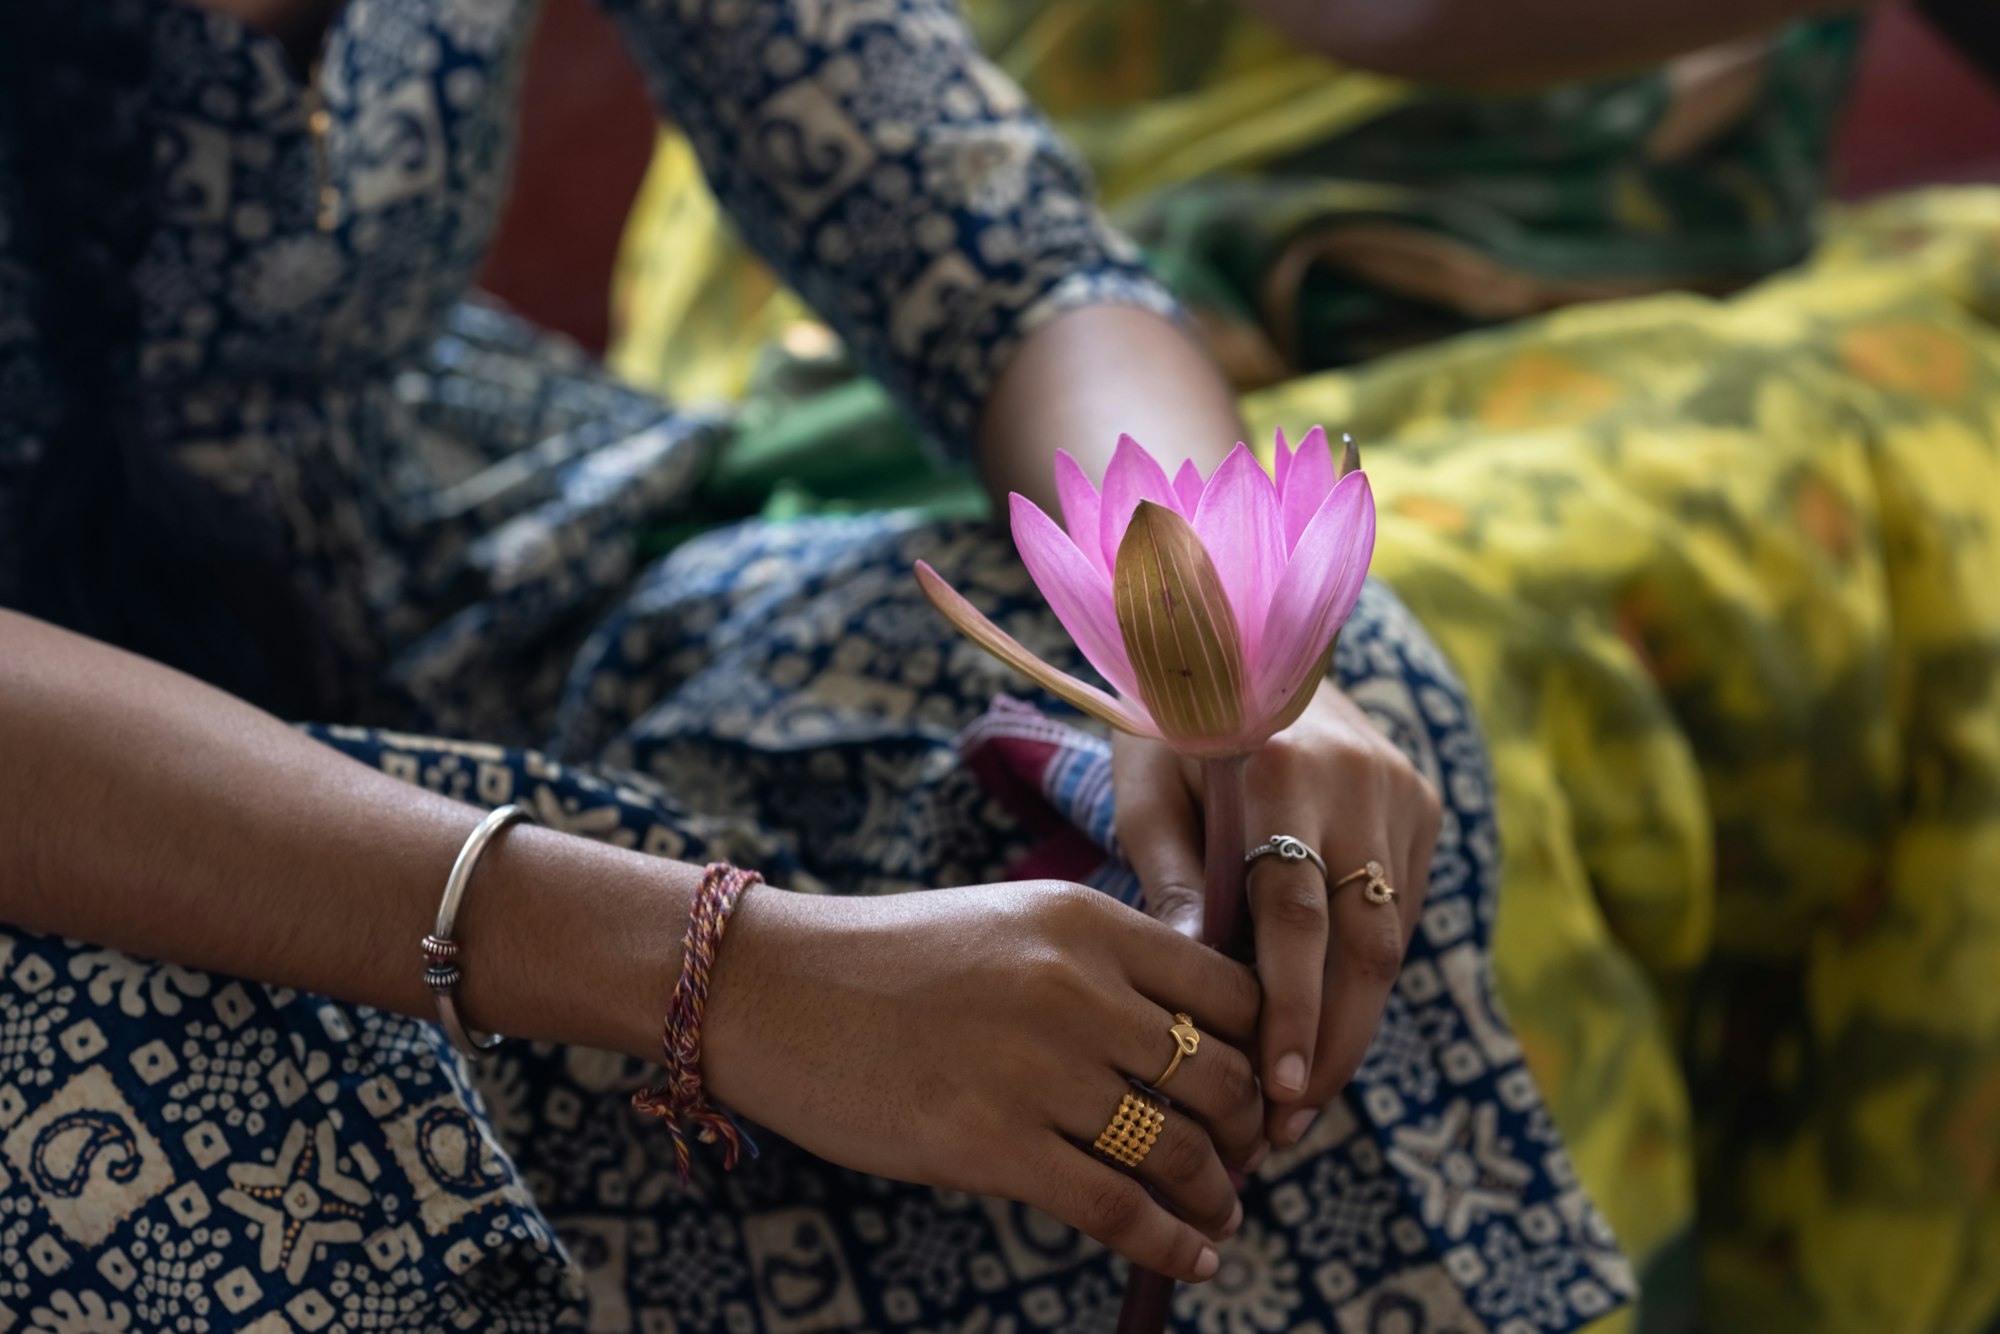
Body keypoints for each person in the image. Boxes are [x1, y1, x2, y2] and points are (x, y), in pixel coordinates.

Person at [0, 2, 1628, 1333]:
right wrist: (733, 975)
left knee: (1284, 804)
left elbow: (1012, 261)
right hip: (68, 783)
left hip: (453, 575)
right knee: (140, 1084)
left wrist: (1217, 646)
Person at [613, 0, 2000, 1330]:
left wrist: (1233, 620)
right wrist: (730, 969)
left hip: (1616, 250)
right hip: (1160, 222)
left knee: (1370, 732)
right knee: (1402, 711)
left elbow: (1019, 266)